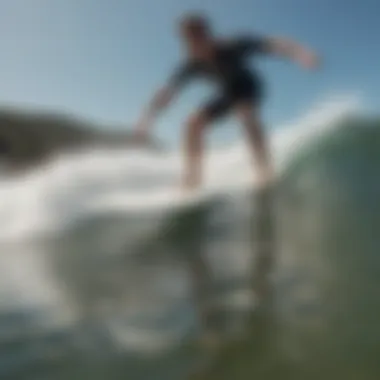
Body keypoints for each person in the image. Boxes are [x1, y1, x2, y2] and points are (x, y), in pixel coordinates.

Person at [134, 13, 320, 191]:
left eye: (195, 41)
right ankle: (192, 179)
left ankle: (264, 169)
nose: (192, 48)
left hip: (248, 86)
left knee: (245, 114)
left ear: (207, 36)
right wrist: (146, 120)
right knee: (192, 124)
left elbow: (273, 43)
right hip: (228, 92)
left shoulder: (232, 46)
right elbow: (167, 93)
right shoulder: (191, 63)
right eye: (187, 42)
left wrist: (302, 54)